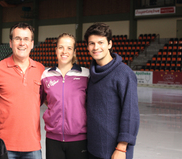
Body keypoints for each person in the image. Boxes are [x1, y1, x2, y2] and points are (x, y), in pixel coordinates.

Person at [0, 23, 45, 159]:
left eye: (26, 39)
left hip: (33, 146)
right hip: (3, 144)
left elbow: (47, 101)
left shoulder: (41, 69)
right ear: (10, 43)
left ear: (32, 44)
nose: (21, 43)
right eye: (17, 38)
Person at [84, 23, 140, 159]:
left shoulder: (124, 74)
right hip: (92, 148)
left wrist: (121, 148)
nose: (96, 47)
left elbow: (131, 113)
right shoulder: (91, 74)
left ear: (109, 44)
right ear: (87, 47)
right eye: (91, 43)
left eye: (100, 42)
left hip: (115, 152)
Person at [40, 33, 89, 159]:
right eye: (61, 47)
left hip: (79, 139)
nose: (64, 51)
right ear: (56, 50)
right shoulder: (46, 75)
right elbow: (42, 99)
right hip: (53, 140)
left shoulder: (86, 75)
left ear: (74, 52)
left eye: (69, 48)